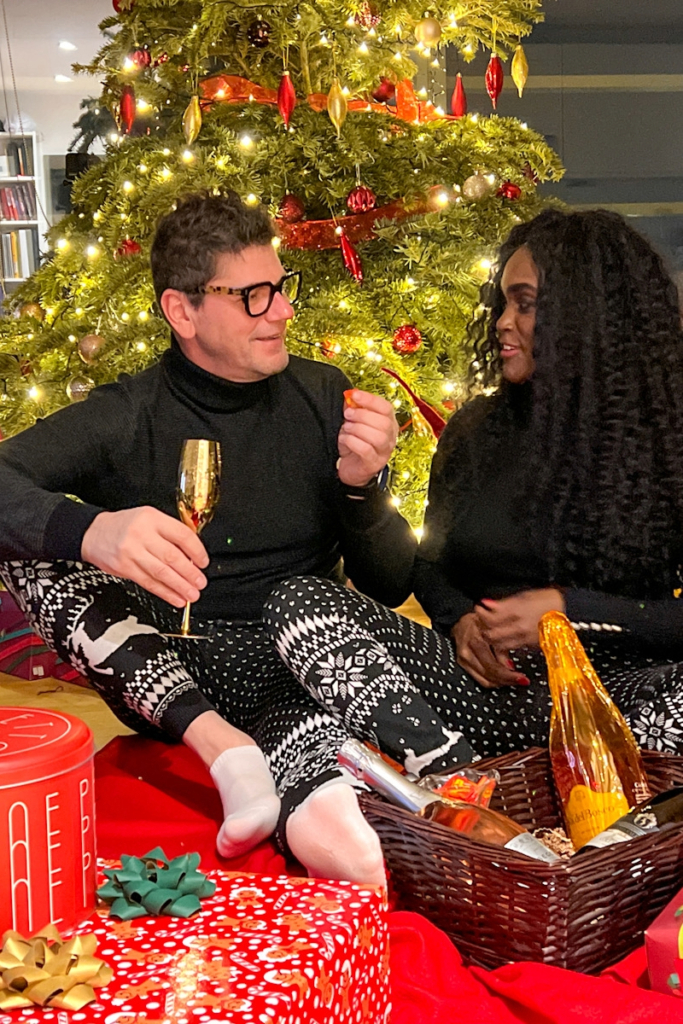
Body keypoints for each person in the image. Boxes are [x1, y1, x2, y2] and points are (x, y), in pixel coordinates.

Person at [0, 191, 474, 885]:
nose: (282, 311)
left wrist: (361, 491)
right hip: (169, 678)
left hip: (296, 669)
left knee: (345, 842)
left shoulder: (322, 395)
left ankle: (284, 779)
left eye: (281, 288)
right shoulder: (126, 415)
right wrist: (94, 529)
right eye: (254, 295)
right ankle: (221, 747)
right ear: (182, 311)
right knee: (32, 556)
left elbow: (386, 582)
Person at [265, 208, 683, 771]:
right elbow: (432, 565)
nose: (503, 322)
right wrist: (459, 620)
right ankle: (460, 783)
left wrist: (567, 611)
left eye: (526, 303)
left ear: (586, 314)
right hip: (483, 699)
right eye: (504, 301)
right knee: (301, 602)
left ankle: (553, 778)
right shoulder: (475, 430)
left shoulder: (667, 437)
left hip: (618, 700)